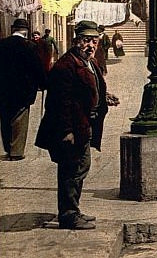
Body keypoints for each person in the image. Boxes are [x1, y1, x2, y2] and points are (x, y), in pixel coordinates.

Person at [34, 21, 118, 229]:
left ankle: (74, 210)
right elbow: (60, 103)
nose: (91, 46)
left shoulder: (89, 62)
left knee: (81, 167)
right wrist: (67, 131)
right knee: (72, 170)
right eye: (86, 41)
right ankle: (69, 215)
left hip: (84, 125)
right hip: (72, 128)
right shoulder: (66, 66)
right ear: (76, 41)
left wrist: (104, 96)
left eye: (94, 41)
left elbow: (87, 87)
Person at [0, 19, 47, 160]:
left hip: (3, 89)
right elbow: (37, 67)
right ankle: (16, 152)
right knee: (19, 120)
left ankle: (8, 148)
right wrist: (44, 83)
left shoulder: (2, 44)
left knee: (5, 118)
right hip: (23, 90)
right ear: (26, 31)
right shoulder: (30, 46)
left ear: (13, 29)